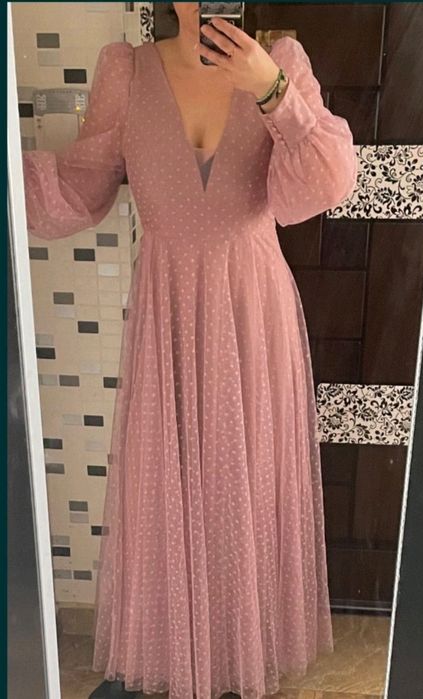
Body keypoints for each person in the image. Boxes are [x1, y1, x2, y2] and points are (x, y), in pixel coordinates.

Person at [21, 3, 358, 698]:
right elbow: (81, 185)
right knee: (167, 482)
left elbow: (325, 183)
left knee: (247, 481)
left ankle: (238, 655)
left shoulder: (280, 61)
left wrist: (272, 92)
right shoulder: (126, 71)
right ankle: (182, 654)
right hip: (168, 310)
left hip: (253, 310)